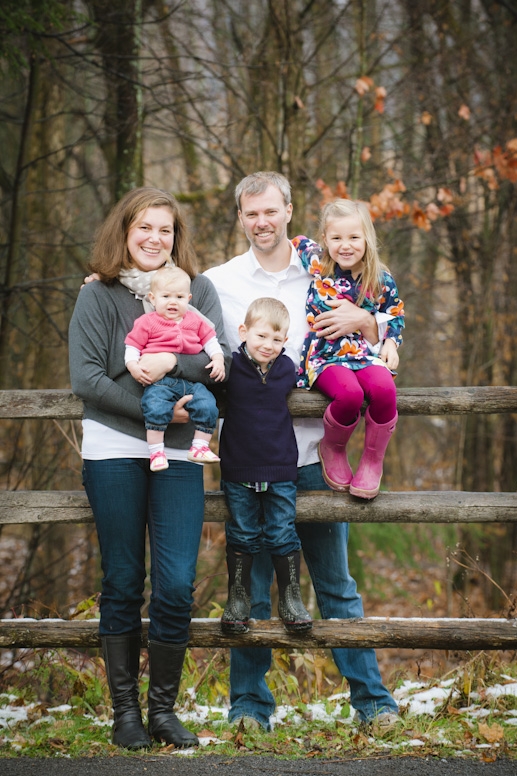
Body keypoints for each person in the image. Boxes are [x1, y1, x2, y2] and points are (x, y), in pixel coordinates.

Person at [204, 171, 399, 732]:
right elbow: (164, 303)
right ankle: (249, 707)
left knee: (335, 584)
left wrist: (370, 320)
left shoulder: (326, 267)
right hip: (251, 464)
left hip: (316, 459)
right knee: (254, 587)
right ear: (240, 217)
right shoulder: (217, 283)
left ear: (289, 210)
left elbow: (387, 297)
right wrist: (104, 276)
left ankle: (374, 704)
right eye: (250, 213)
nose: (262, 222)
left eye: (271, 211)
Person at [69, 187, 231, 750]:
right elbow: (87, 379)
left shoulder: (198, 288)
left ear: (176, 237)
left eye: (164, 229)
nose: (154, 238)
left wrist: (168, 365)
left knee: (177, 584)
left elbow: (221, 362)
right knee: (121, 581)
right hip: (113, 448)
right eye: (144, 227)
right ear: (125, 232)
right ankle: (125, 714)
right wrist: (153, 405)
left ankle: (162, 710)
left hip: (182, 451)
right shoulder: (99, 296)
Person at [293, 198, 404, 498]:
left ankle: (372, 459)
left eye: (354, 237)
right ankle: (334, 447)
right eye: (336, 237)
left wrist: (391, 343)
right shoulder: (318, 263)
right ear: (325, 239)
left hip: (364, 354)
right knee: (350, 394)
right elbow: (294, 240)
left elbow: (393, 313)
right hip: (325, 356)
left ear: (368, 237)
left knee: (384, 390)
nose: (345, 245)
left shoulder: (379, 278)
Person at [219, 297, 312, 636]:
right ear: (243, 332)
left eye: (276, 339)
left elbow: (319, 375)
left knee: (282, 532)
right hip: (239, 468)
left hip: (280, 467)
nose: (268, 345)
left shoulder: (288, 369)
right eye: (261, 337)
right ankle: (238, 599)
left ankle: (290, 599)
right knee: (242, 532)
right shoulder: (229, 368)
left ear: (285, 341)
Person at [125, 265, 225, 471]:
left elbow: (212, 341)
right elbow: (132, 346)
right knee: (154, 406)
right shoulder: (147, 322)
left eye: (179, 297)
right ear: (153, 299)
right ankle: (156, 452)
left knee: (208, 405)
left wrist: (218, 359)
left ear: (188, 300)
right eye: (166, 296)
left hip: (191, 380)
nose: (173, 302)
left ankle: (200, 446)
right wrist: (133, 365)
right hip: (161, 381)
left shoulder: (195, 321)